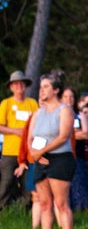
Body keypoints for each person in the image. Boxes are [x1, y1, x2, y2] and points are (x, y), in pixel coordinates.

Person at [27, 73, 75, 229]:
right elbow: (30, 136)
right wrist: (33, 151)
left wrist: (41, 150)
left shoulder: (64, 110)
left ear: (56, 90)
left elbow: (63, 136)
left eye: (46, 86)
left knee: (61, 203)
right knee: (44, 203)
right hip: (41, 159)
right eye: (41, 86)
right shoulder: (38, 113)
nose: (42, 90)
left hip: (60, 158)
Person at [0, 70, 38, 209]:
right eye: (15, 84)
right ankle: (3, 211)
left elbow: (38, 123)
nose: (19, 87)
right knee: (7, 181)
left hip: (29, 151)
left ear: (25, 86)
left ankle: (25, 212)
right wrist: (15, 131)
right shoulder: (6, 104)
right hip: (10, 151)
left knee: (28, 183)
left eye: (21, 84)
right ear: (11, 87)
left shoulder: (32, 103)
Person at [63, 87, 88, 211]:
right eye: (65, 96)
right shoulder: (58, 115)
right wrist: (75, 133)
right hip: (62, 156)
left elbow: (85, 134)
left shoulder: (79, 115)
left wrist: (67, 134)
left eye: (71, 96)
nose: (69, 99)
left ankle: (83, 214)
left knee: (80, 187)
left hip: (78, 156)